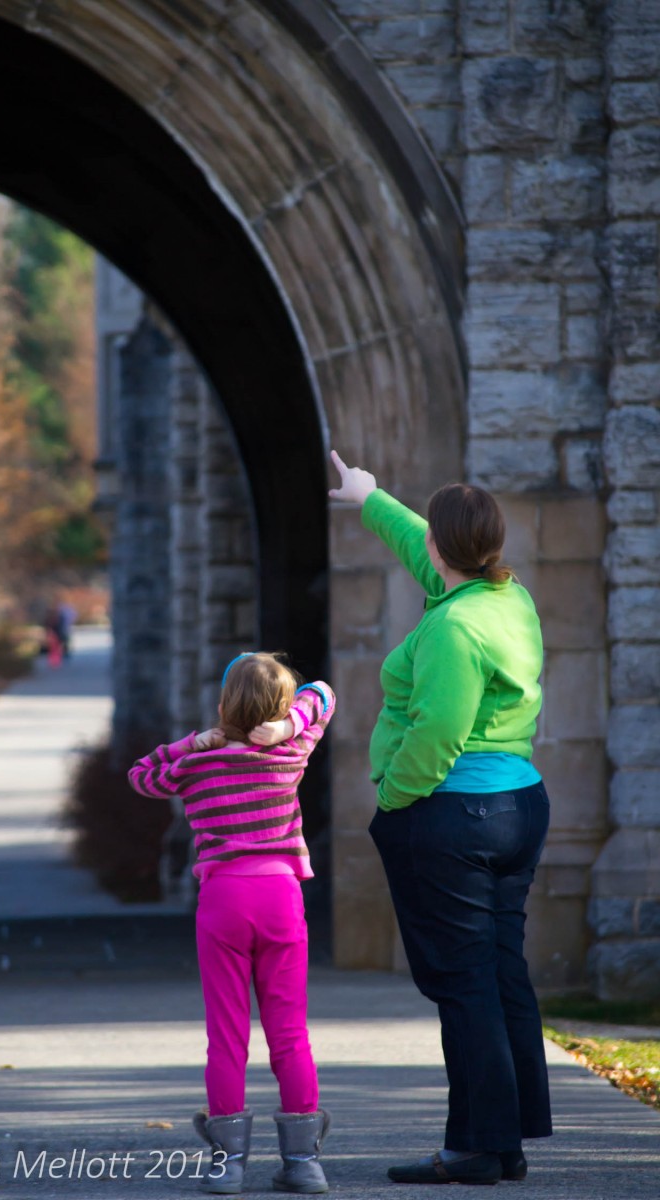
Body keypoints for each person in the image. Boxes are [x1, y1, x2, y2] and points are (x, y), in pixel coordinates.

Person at [329, 450, 552, 1187]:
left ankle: (476, 1149)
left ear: (442, 548)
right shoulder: (503, 597)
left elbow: (437, 732)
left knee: (464, 982)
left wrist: (392, 799)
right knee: (497, 970)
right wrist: (369, 499)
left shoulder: (453, 631)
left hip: (455, 814)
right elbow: (431, 553)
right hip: (517, 805)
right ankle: (506, 1139)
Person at [128, 652, 335, 1195]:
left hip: (222, 901)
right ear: (281, 710)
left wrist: (191, 743)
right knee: (290, 1034)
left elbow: (141, 777)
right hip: (281, 898)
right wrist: (289, 724)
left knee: (226, 1036)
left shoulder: (196, 766)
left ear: (223, 706)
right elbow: (325, 696)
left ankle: (228, 1165)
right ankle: (303, 1163)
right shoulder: (291, 752)